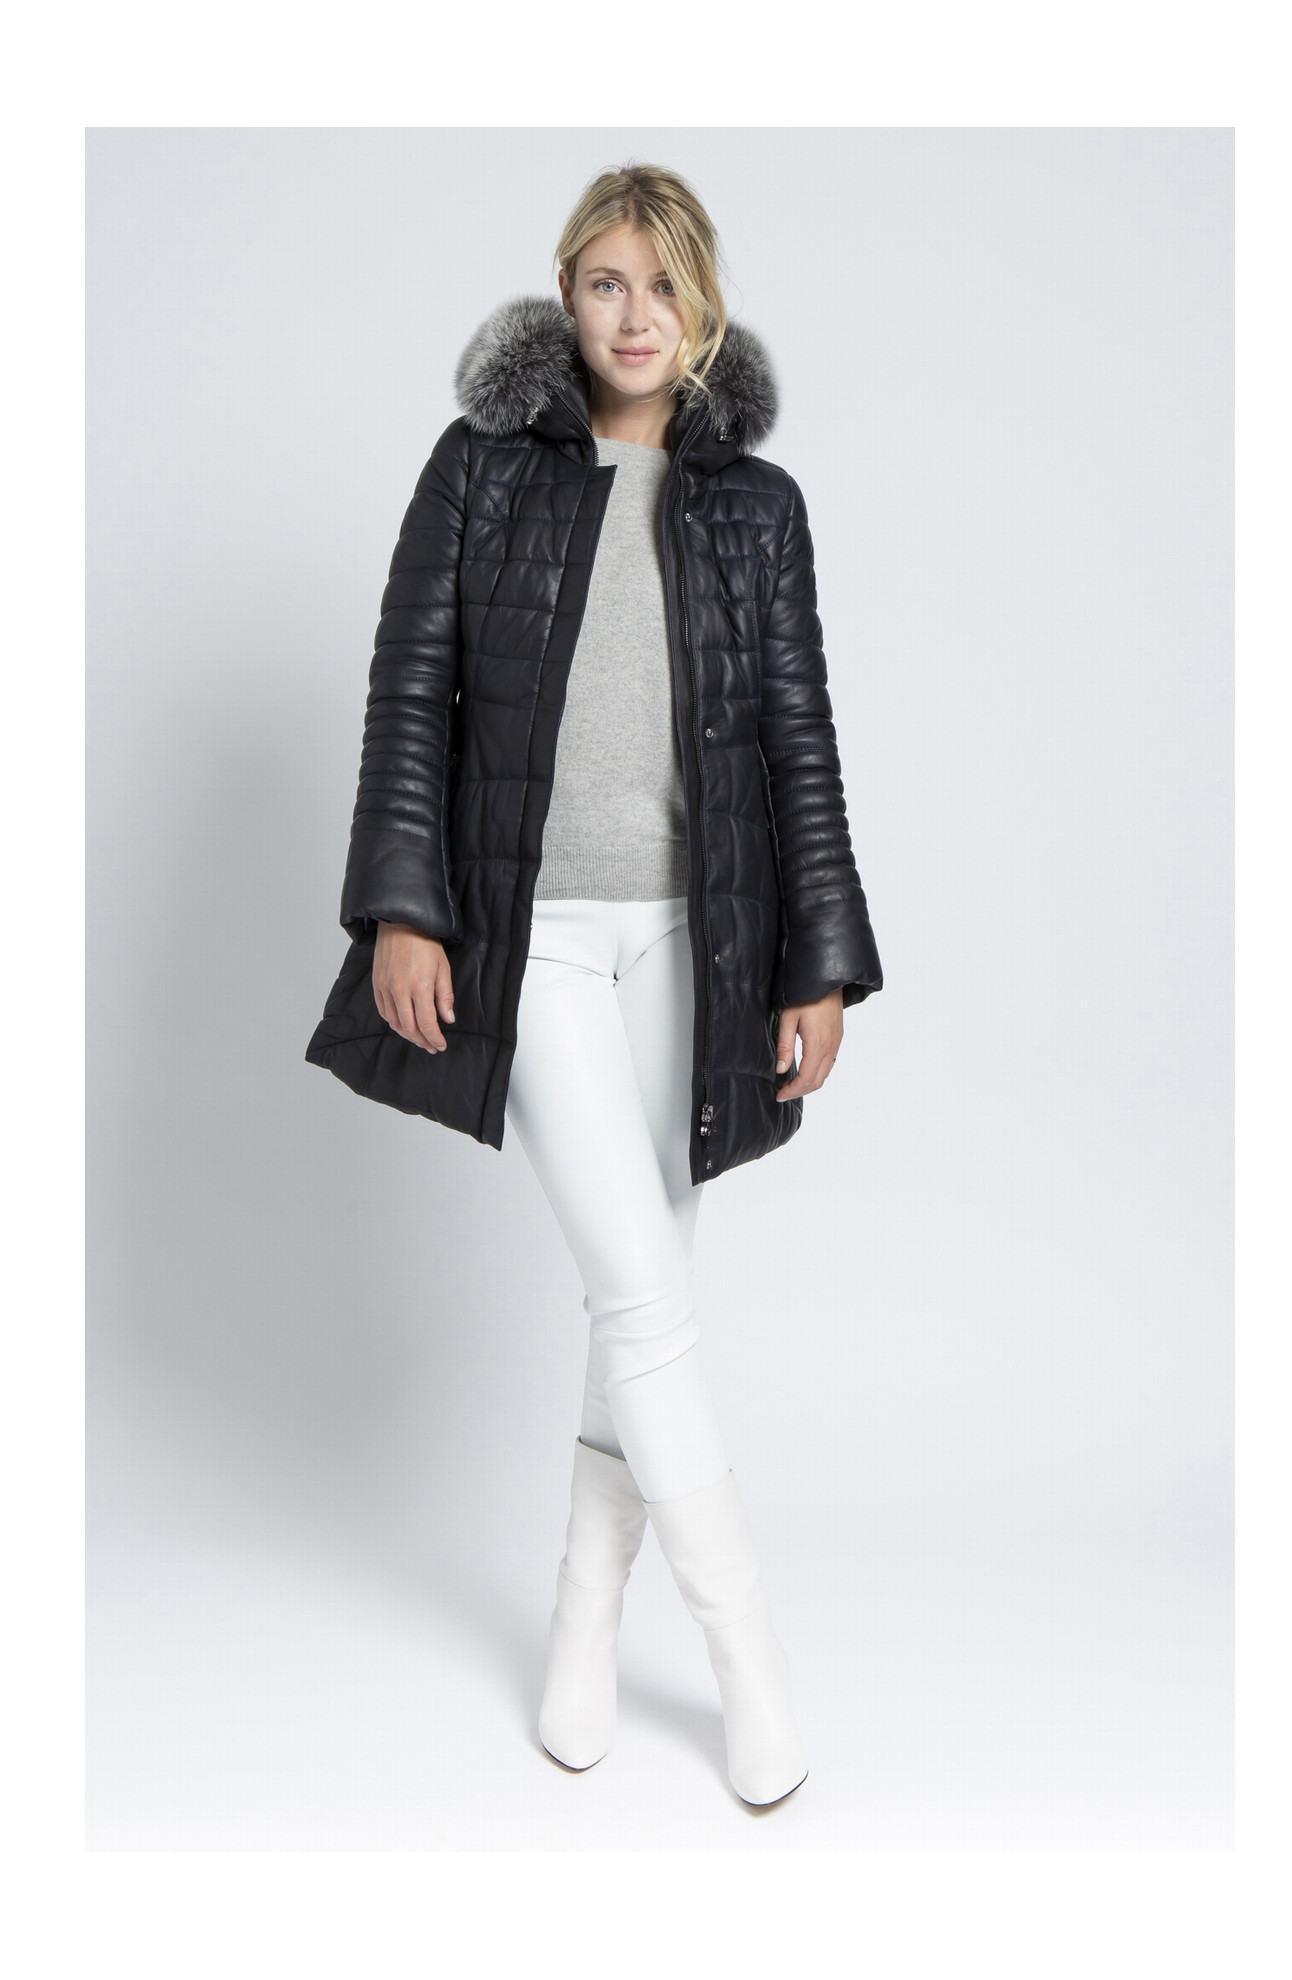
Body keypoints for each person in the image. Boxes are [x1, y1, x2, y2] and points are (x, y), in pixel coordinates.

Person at [305, 162, 883, 1808]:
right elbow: (408, 694)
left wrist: (820, 960)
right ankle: (749, 1658)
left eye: (665, 285)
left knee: (644, 1298)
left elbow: (798, 737)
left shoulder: (756, 508)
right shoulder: (482, 470)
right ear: (567, 295)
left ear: (702, 308)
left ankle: (582, 1618)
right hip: (536, 938)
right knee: (643, 1294)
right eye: (608, 282)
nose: (638, 316)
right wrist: (402, 910)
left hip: (695, 948)